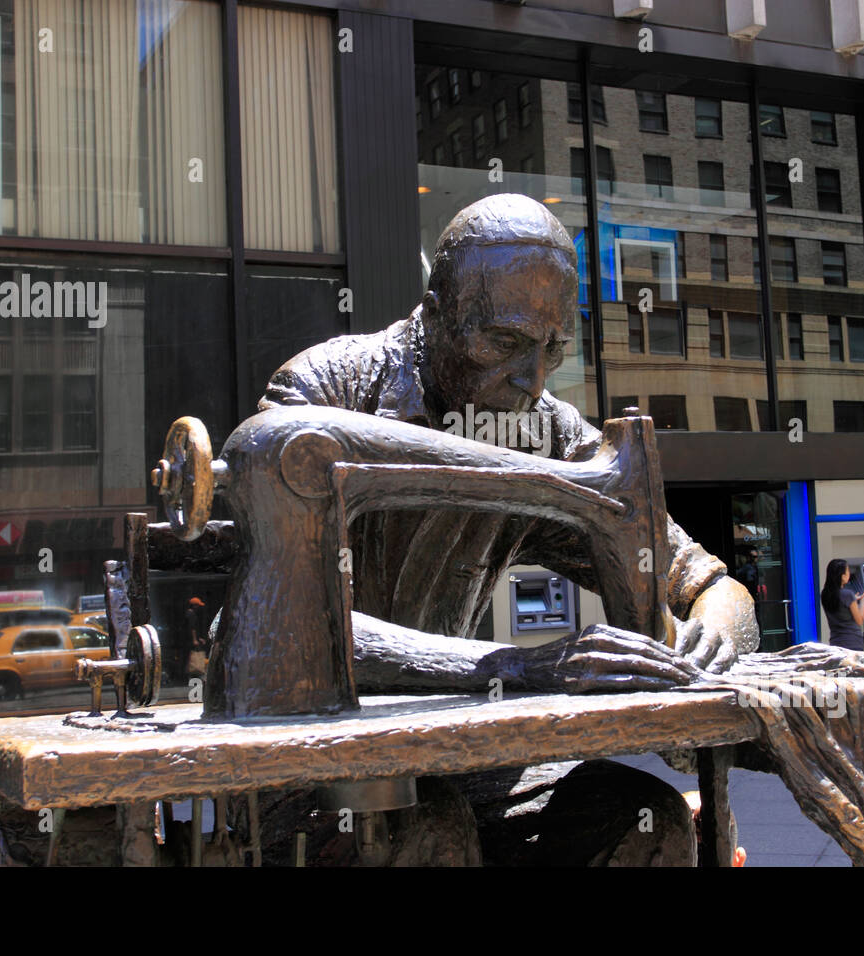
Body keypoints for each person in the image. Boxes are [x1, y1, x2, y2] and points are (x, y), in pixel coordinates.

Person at [244, 193, 760, 865]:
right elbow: (299, 627)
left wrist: (710, 641)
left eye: (554, 349)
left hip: (449, 743)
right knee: (422, 832)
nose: (531, 379)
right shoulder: (321, 394)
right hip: (299, 750)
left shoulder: (546, 432)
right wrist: (517, 668)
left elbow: (709, 583)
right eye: (505, 343)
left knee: (645, 823)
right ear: (433, 315)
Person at [819, 558, 864, 652]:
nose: (849, 573)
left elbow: (839, 603)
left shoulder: (825, 594)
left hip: (836, 642)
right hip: (853, 642)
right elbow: (859, 620)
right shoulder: (848, 594)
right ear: (842, 576)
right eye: (847, 570)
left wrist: (853, 600)